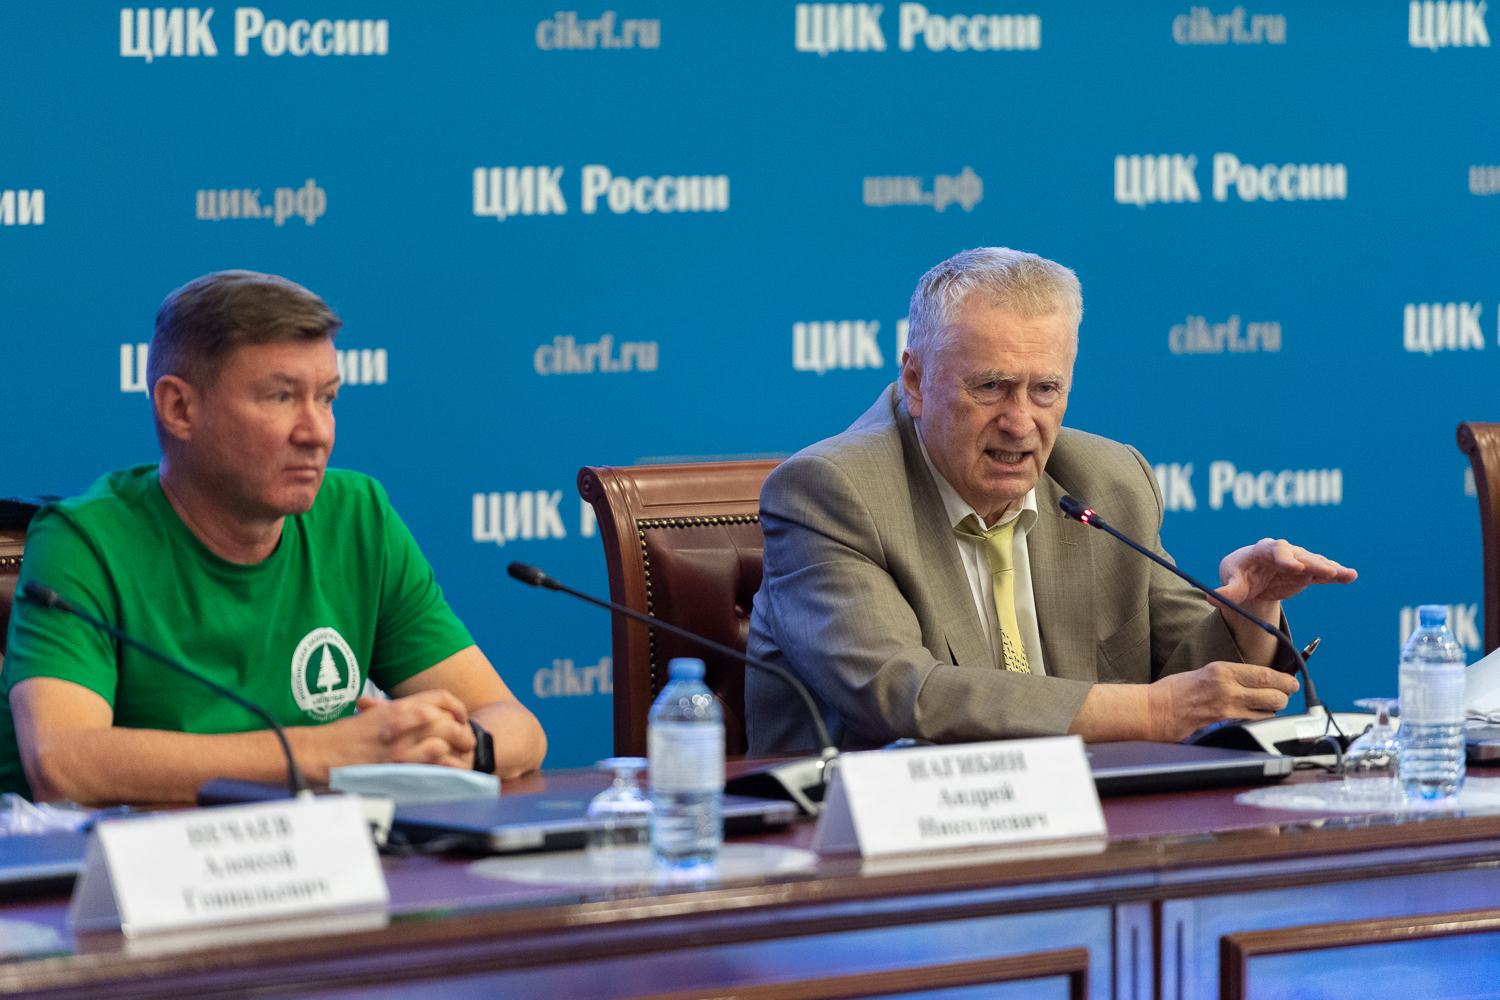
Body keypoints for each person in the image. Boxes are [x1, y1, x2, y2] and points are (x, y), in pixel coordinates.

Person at [745, 247, 1356, 755]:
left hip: (1088, 825)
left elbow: (1184, 679)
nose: (1020, 422)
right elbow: (906, 695)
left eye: (1045, 389)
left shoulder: (1110, 481)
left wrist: (1250, 611)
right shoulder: (831, 493)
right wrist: (1148, 712)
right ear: (915, 381)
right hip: (872, 839)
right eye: (991, 387)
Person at [0, 271, 546, 803]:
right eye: (281, 397)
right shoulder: (84, 540)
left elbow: (516, 726)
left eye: (327, 398)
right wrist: (329, 753)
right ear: (179, 408)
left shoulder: (359, 518)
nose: (317, 432)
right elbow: (65, 764)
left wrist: (459, 749)